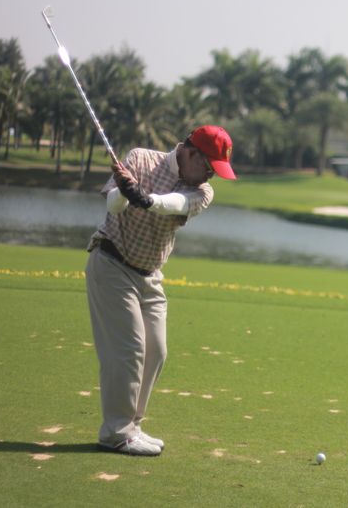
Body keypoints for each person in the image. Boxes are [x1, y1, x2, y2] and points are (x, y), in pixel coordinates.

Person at [85, 125, 235, 456]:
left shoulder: (202, 192)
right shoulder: (140, 159)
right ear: (191, 153)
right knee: (129, 350)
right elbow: (113, 206)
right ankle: (116, 432)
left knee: (156, 350)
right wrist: (124, 191)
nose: (210, 175)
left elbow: (173, 203)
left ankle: (131, 426)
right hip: (112, 263)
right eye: (209, 166)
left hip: (150, 276)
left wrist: (146, 198)